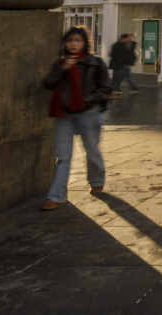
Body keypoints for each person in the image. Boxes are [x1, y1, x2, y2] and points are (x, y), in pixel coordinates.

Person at [40, 26, 113, 211]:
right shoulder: (60, 63)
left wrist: (86, 101)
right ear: (65, 43)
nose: (73, 44)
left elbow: (105, 89)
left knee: (91, 151)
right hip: (64, 115)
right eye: (70, 40)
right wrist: (62, 69)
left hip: (88, 114)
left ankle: (97, 180)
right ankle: (57, 196)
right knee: (63, 157)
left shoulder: (95, 63)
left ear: (85, 43)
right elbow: (48, 84)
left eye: (77, 40)